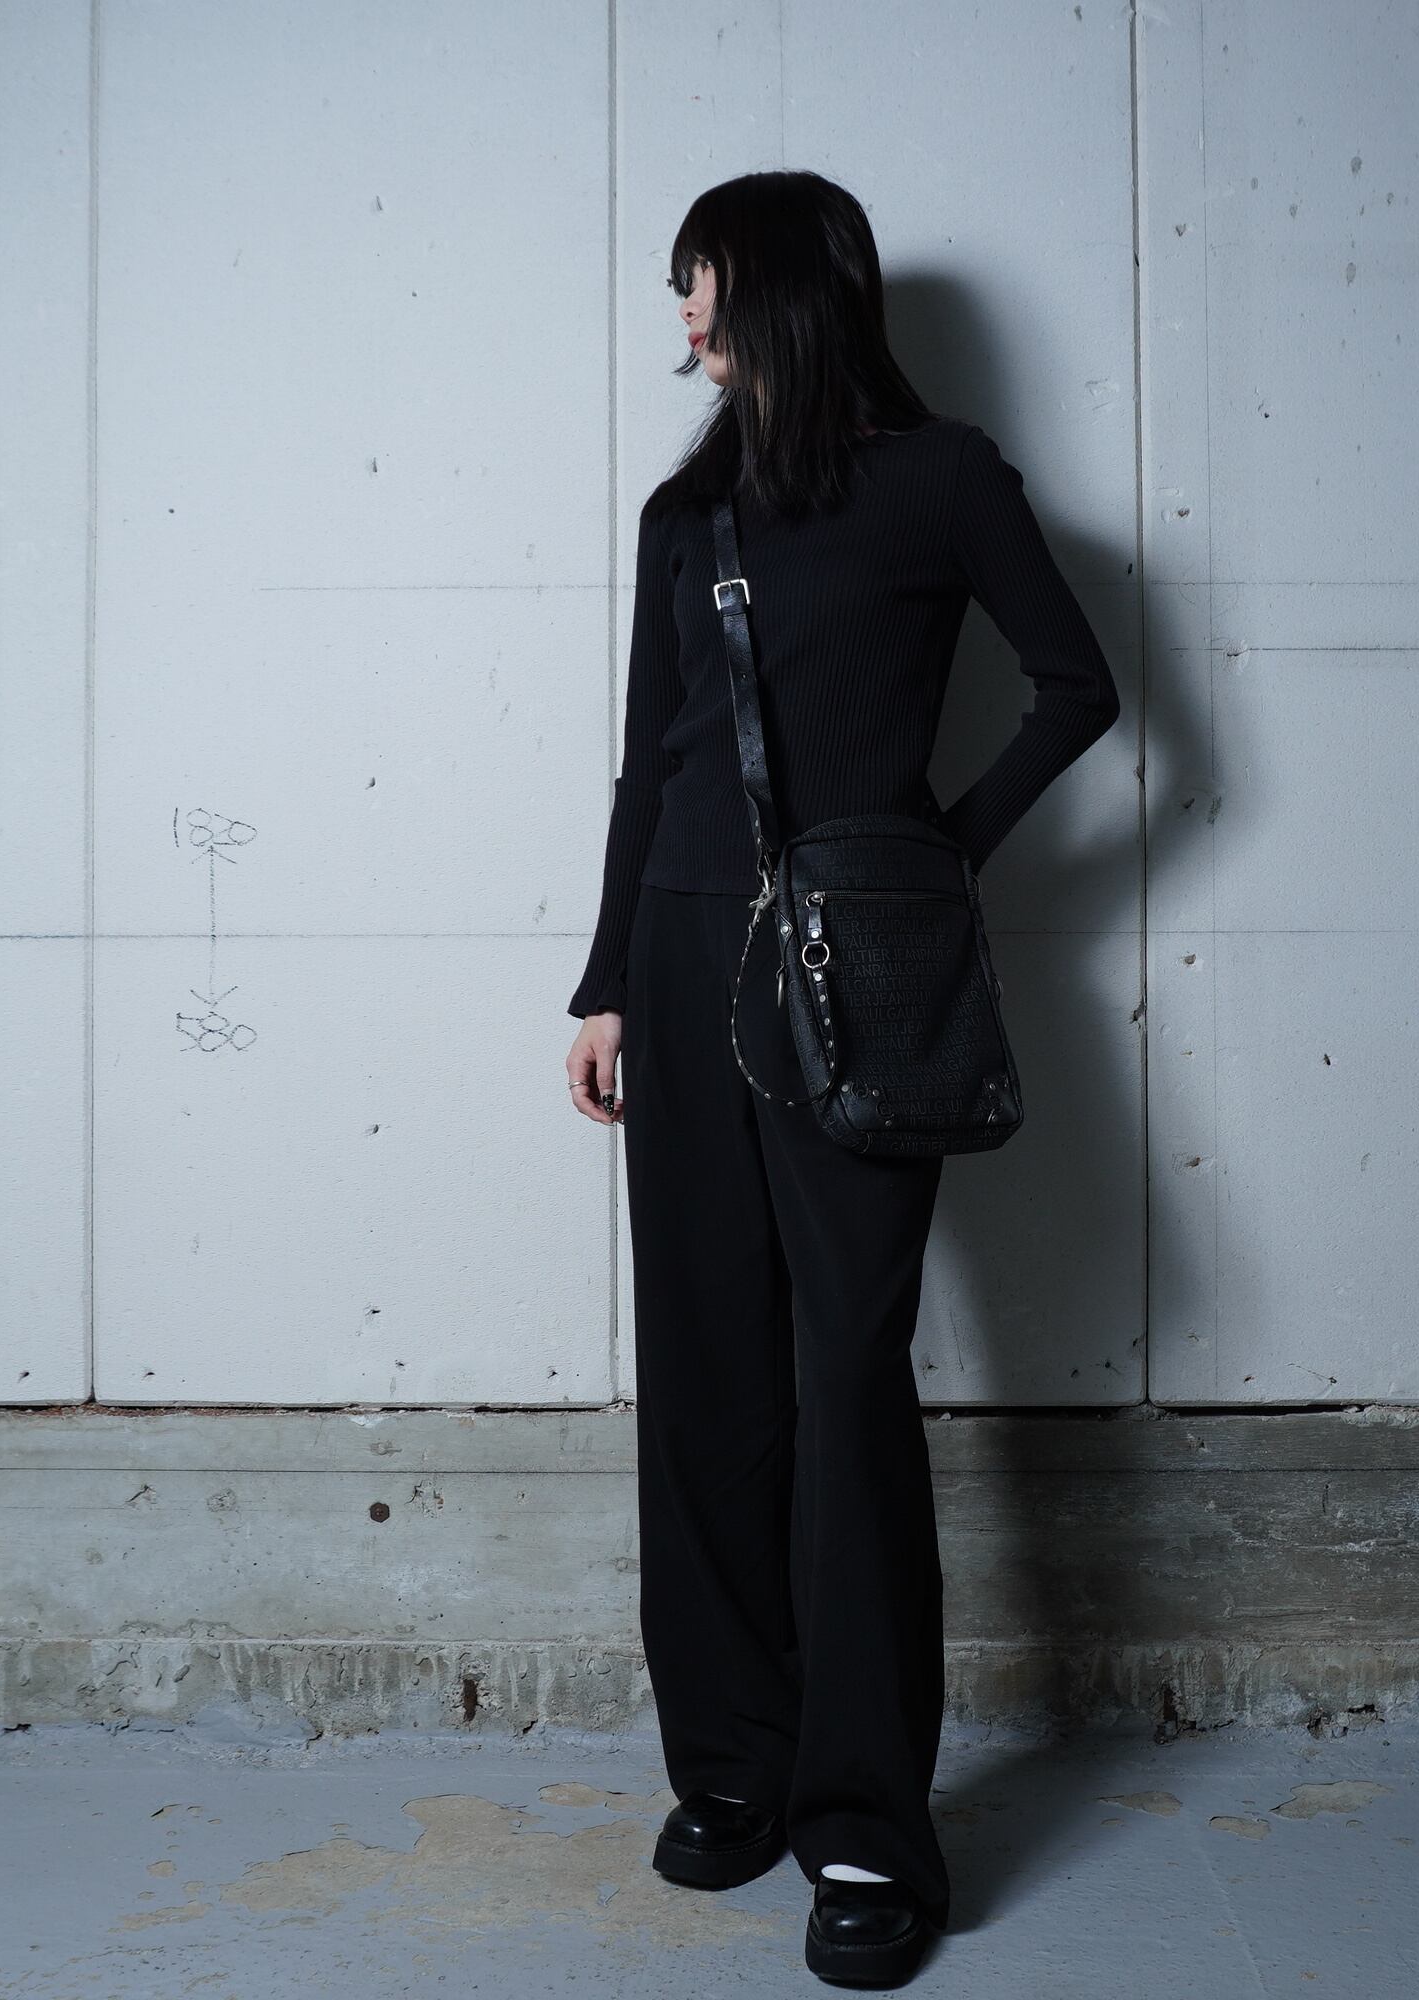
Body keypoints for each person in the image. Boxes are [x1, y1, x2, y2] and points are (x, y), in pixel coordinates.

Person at [563, 169, 1121, 1988]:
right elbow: (648, 768)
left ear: (786, 287)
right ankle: (732, 1766)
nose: (685, 316)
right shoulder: (688, 509)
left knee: (846, 1383)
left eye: (703, 281)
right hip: (678, 962)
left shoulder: (943, 479)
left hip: (863, 980)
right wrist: (602, 985)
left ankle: (868, 1824)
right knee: (706, 1380)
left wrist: (932, 852)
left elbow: (1078, 686)